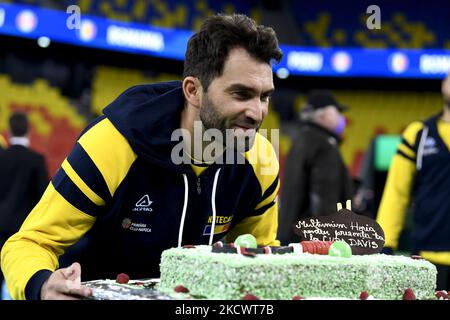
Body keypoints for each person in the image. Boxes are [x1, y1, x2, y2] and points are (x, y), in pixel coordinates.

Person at [1, 14, 283, 300]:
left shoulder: (259, 159)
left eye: (264, 97)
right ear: (193, 90)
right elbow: (29, 243)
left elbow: (259, 255)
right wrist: (43, 286)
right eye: (241, 94)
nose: (257, 113)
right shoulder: (113, 142)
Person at [377, 72, 450, 291]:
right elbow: (396, 194)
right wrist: (385, 242)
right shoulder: (418, 133)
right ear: (443, 84)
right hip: (428, 258)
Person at [277, 90, 354, 245]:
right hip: (310, 244)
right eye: (337, 112)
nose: (342, 118)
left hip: (291, 236)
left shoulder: (302, 139)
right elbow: (323, 198)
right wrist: (327, 242)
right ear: (323, 115)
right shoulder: (324, 145)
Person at [0, 112, 49, 294]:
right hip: (24, 232)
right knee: (20, 282)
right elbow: (43, 199)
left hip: (0, 227)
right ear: (29, 130)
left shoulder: (1, 157)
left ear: (9, 131)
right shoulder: (36, 160)